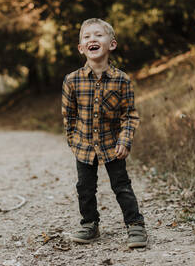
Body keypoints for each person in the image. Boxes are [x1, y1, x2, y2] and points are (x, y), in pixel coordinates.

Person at [62, 18, 147, 248]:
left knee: (121, 185)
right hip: (84, 144)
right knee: (85, 188)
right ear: (81, 48)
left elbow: (129, 114)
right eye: (87, 37)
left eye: (98, 35)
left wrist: (125, 139)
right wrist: (73, 141)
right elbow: (69, 116)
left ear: (112, 44)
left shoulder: (122, 80)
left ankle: (135, 225)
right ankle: (90, 224)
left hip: (112, 144)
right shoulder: (72, 81)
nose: (93, 39)